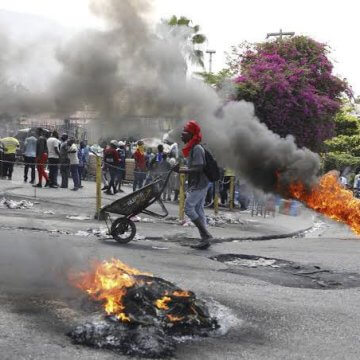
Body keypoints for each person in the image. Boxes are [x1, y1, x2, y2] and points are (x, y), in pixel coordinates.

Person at [175, 120, 212, 250]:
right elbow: (194, 166)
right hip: (199, 183)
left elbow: (199, 168)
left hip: (200, 183)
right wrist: (183, 168)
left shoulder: (197, 148)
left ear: (190, 135)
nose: (181, 134)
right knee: (199, 210)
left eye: (184, 132)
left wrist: (182, 170)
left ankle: (206, 235)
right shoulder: (193, 148)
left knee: (189, 208)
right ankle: (205, 239)